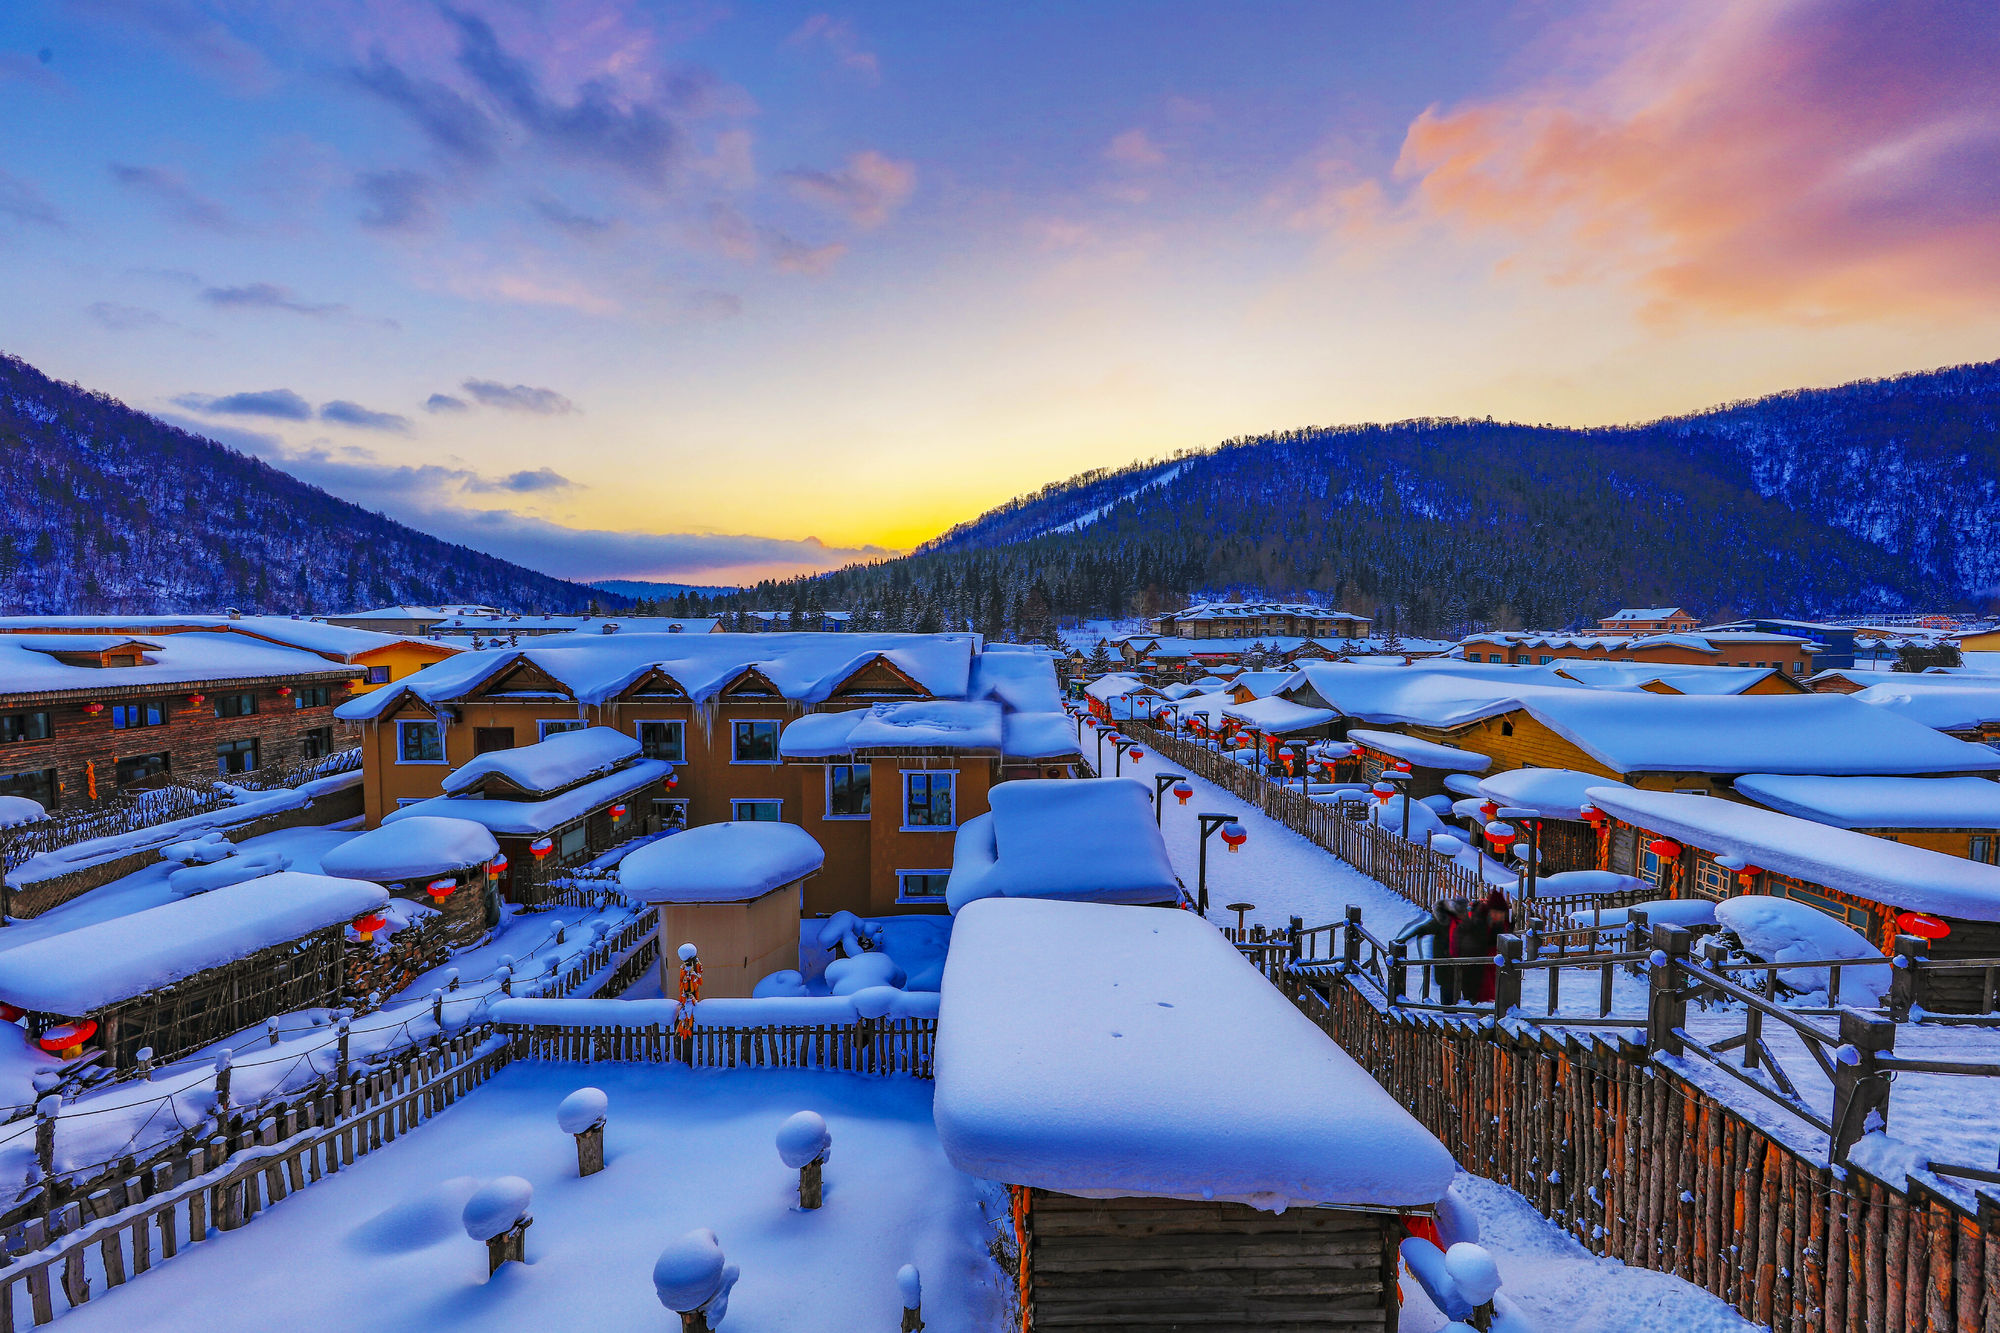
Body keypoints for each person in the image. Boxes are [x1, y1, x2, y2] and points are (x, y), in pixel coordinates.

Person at [1395, 898, 1466, 1004]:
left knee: (1462, 987)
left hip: (1462, 961)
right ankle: (1450, 1013)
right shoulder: (1442, 922)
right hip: (1447, 962)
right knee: (1448, 990)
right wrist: (1402, 940)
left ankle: (1460, 1011)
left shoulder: (1464, 921)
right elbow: (1421, 929)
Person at [1453, 889, 1515, 1005]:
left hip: (1493, 966)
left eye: (1501, 914)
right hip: (1477, 965)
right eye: (1496, 913)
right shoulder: (1478, 921)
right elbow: (1468, 942)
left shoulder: (1502, 924)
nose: (1499, 916)